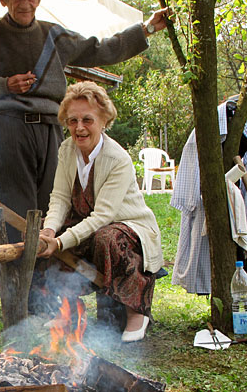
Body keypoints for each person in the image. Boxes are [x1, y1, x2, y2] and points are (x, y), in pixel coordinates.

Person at [0, 0, 169, 242]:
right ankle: (19, 278)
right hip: (8, 126)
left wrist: (146, 29)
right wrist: (4, 85)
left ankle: (48, 276)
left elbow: (100, 50)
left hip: (50, 129)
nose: (25, 4)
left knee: (53, 203)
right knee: (14, 207)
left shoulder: (54, 35)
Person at [36, 81, 163, 342]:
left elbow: (104, 216)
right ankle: (68, 311)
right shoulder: (67, 149)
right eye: (72, 121)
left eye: (87, 120)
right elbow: (59, 197)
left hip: (128, 228)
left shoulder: (118, 159)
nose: (79, 128)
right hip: (89, 222)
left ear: (104, 120)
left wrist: (59, 242)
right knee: (50, 228)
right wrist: (49, 232)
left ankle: (136, 313)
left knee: (108, 237)